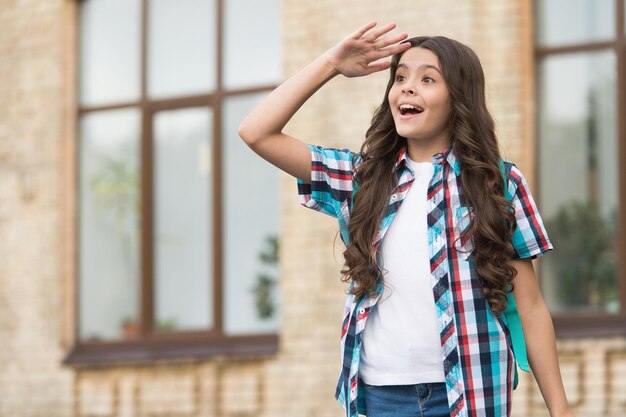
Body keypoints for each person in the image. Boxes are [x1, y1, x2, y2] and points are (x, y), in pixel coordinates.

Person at [238, 21, 574, 417]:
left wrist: (560, 410)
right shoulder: (361, 179)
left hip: (471, 390)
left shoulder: (497, 183)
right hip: (382, 395)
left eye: (428, 79)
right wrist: (331, 63)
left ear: (458, 99)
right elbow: (255, 131)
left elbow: (531, 307)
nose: (408, 88)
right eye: (400, 78)